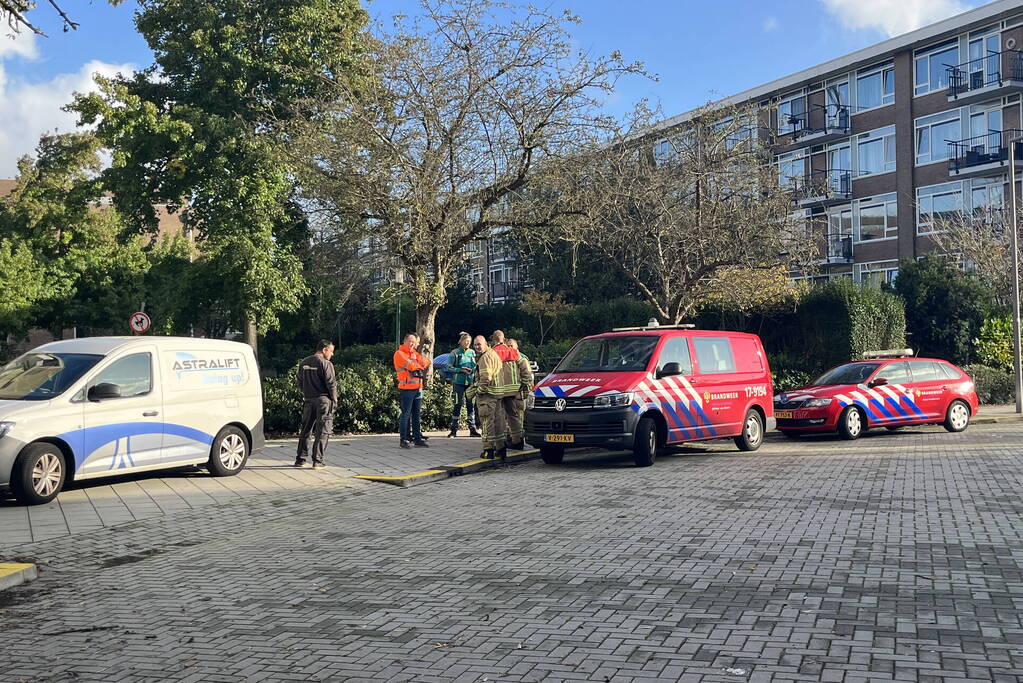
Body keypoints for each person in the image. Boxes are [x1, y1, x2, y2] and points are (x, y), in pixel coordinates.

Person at [295, 339, 337, 468]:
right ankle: (317, 461)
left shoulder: (304, 363)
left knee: (306, 430)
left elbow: (299, 381)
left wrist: (306, 392)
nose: (332, 354)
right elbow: (331, 384)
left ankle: (300, 460)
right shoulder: (326, 363)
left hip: (308, 400)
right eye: (331, 351)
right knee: (322, 431)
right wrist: (334, 400)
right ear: (324, 350)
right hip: (323, 401)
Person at [490, 330, 533, 451]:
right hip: (513, 390)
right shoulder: (513, 352)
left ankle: (501, 443)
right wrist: (524, 383)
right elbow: (524, 368)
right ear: (503, 339)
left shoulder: (492, 353)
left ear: (493, 340)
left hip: (498, 390)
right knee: (513, 415)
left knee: (499, 416)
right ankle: (518, 441)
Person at [469, 335, 506, 459]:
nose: (477, 347)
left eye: (479, 344)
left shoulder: (485, 358)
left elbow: (486, 378)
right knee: (498, 423)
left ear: (486, 344)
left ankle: (488, 450)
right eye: (475, 345)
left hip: (488, 395)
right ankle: (501, 449)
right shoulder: (494, 354)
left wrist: (479, 391)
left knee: (486, 423)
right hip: (498, 394)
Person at [394, 333, 430, 449]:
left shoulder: (414, 353)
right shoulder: (399, 354)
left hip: (417, 388)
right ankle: (403, 439)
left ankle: (417, 438)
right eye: (410, 341)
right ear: (404, 341)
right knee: (406, 414)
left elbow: (426, 362)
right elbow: (412, 366)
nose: (412, 344)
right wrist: (417, 363)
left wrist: (417, 363)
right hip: (407, 389)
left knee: (416, 415)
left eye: (414, 342)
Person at [446, 332, 480, 438]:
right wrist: (460, 370)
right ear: (461, 341)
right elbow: (448, 367)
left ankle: (472, 429)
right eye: (466, 341)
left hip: (470, 383)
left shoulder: (472, 353)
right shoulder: (455, 353)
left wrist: (473, 370)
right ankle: (453, 429)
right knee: (457, 405)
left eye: (469, 342)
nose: (467, 343)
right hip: (458, 383)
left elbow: (476, 366)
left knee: (471, 406)